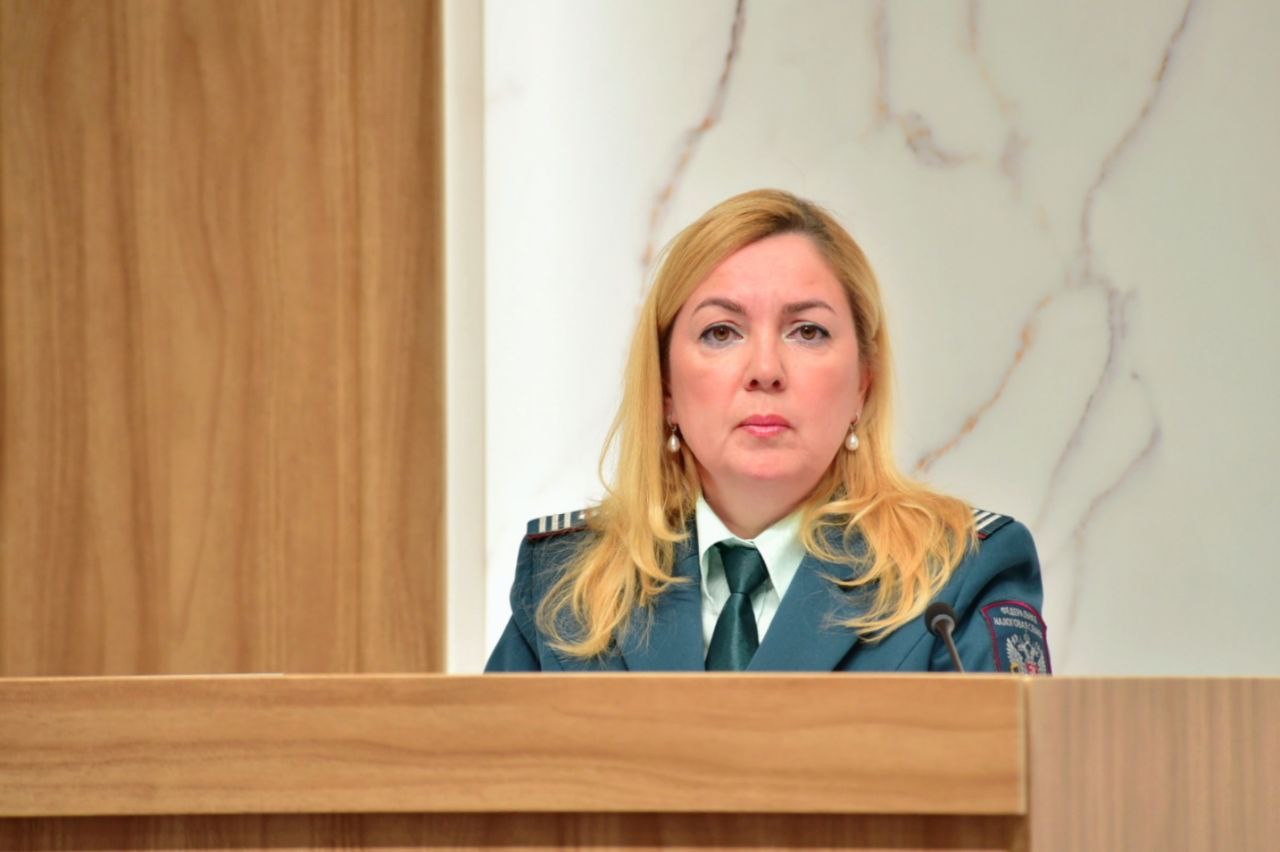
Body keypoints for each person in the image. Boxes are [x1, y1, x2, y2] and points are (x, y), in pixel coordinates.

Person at [486, 189, 1050, 674]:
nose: (764, 370)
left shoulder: (956, 575)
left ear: (863, 384)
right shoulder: (568, 585)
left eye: (807, 331)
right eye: (721, 332)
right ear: (665, 387)